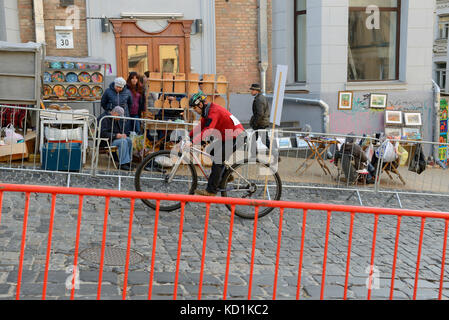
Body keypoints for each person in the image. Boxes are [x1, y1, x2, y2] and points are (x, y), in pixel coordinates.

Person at [188, 92, 245, 196]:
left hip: (237, 137)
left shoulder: (213, 111)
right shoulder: (207, 111)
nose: (194, 111)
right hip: (228, 136)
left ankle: (211, 191)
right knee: (212, 151)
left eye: (194, 108)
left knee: (218, 159)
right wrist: (188, 136)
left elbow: (208, 130)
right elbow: (201, 127)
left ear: (200, 105)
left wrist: (192, 142)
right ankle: (225, 176)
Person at [248, 83, 279, 161]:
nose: (251, 91)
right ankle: (275, 155)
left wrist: (255, 124)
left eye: (252, 90)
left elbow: (260, 114)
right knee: (262, 140)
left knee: (254, 139)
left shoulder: (259, 99)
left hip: (260, 124)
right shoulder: (260, 98)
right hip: (262, 123)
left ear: (257, 91)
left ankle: (254, 156)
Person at [99, 106, 134, 171]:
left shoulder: (114, 118)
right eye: (119, 116)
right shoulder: (105, 118)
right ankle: (122, 164)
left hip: (112, 139)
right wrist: (116, 135)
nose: (119, 118)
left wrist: (121, 134)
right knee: (123, 142)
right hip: (106, 142)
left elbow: (117, 131)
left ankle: (128, 161)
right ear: (114, 113)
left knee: (129, 140)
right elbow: (102, 134)